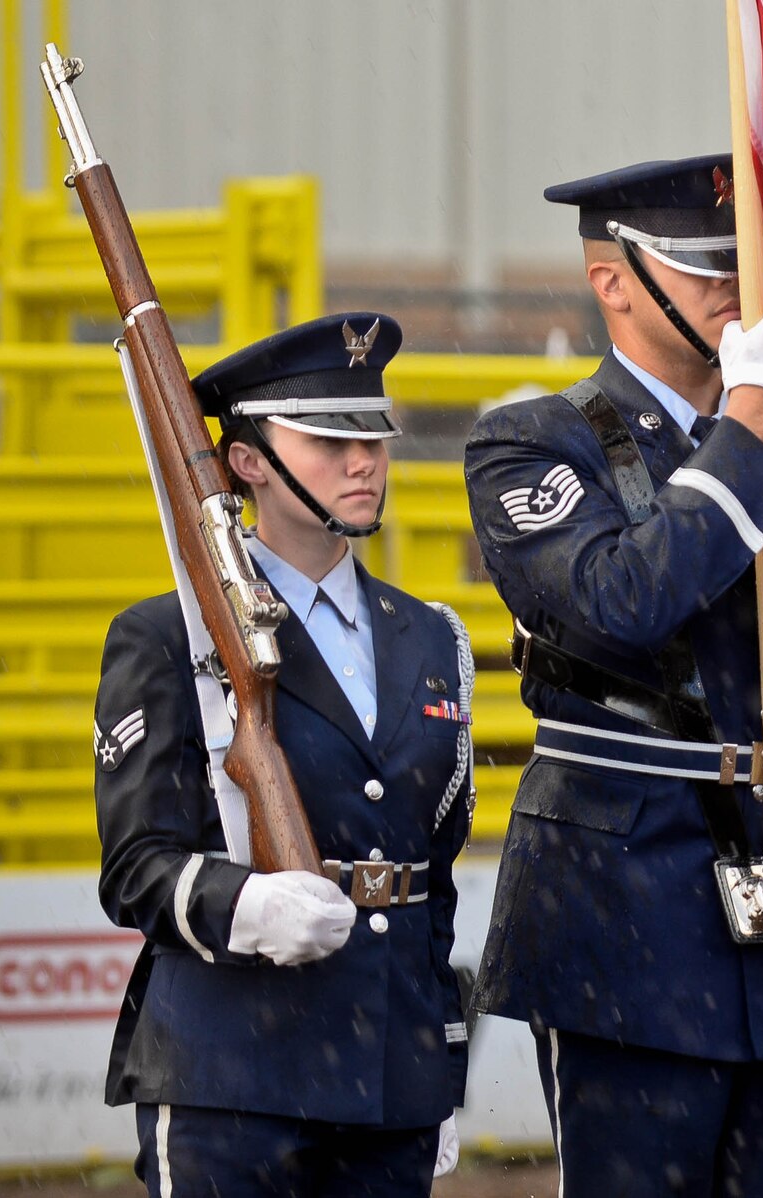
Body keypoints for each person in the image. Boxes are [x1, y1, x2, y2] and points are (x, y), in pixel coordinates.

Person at [464, 154, 763, 1197]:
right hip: (626, 912)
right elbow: (619, 601)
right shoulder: (530, 442)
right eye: (699, 265)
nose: (731, 285)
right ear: (613, 282)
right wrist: (740, 431)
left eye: (741, 261)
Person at [93, 312, 475, 1196]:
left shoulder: (431, 637)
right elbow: (136, 866)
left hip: (388, 1075)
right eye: (327, 438)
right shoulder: (168, 635)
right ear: (248, 461)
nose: (362, 460)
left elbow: (434, 871)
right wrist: (247, 906)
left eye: (372, 435)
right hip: (232, 1068)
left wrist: (438, 1059)